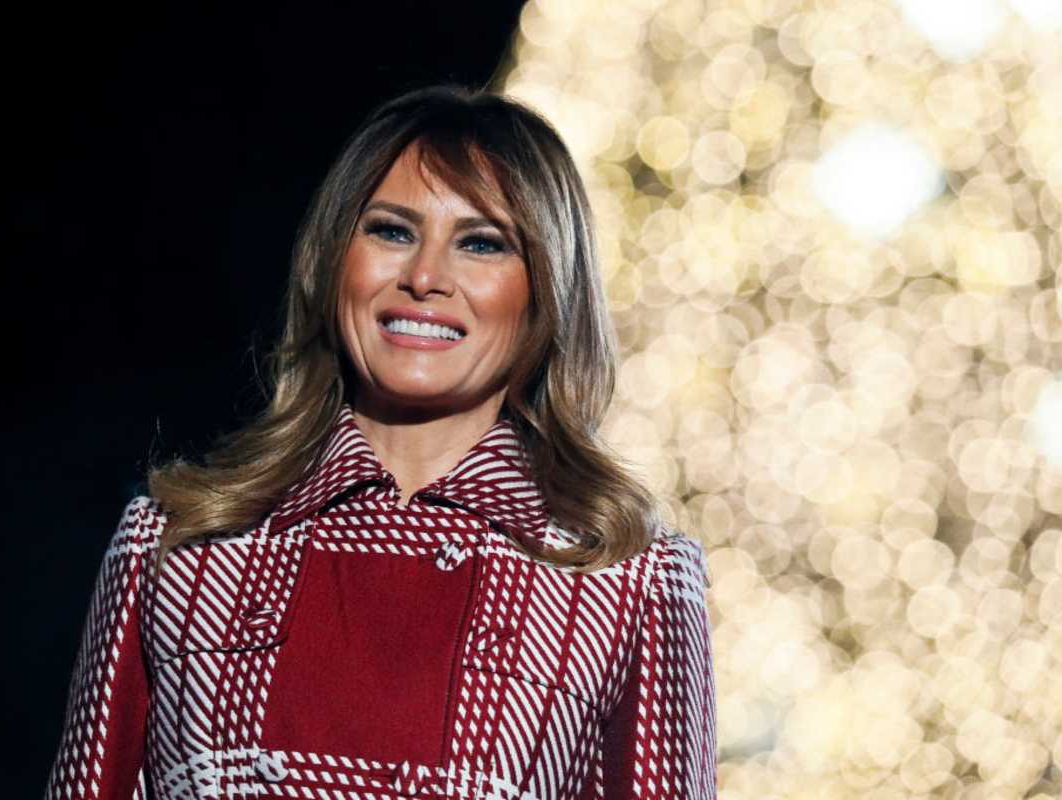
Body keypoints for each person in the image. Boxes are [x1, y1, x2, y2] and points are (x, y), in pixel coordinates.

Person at [44, 84, 717, 800]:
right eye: (392, 231)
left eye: (481, 243)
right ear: (336, 260)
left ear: (546, 292)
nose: (424, 277)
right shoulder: (175, 544)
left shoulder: (626, 580)